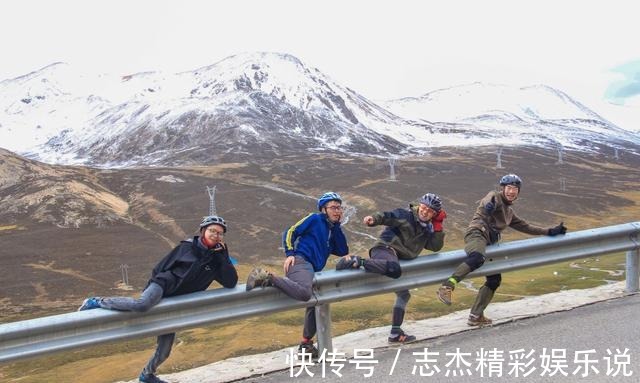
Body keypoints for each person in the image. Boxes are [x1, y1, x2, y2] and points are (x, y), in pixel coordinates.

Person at [78, 215, 238, 383]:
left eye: (220, 233)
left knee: (165, 351)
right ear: (203, 231)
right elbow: (161, 267)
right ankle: (96, 301)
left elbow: (230, 282)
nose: (216, 235)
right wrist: (153, 288)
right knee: (142, 304)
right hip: (163, 285)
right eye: (212, 231)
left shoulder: (216, 260)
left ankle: (147, 375)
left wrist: (223, 259)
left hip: (176, 303)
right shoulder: (187, 248)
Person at [436, 174, 567, 326]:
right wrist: (488, 207)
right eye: (509, 188)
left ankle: (475, 316)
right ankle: (447, 286)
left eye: (515, 189)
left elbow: (527, 227)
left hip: (490, 243)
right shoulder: (494, 197)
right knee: (477, 257)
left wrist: (550, 231)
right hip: (477, 233)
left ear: (518, 192)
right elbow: (488, 202)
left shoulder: (509, 213)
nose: (511, 192)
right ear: (503, 188)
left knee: (494, 280)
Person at [245, 192, 351, 357]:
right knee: (304, 293)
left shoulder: (332, 229)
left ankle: (306, 344)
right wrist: (290, 253)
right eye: (333, 207)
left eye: (340, 208)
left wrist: (336, 226)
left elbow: (343, 250)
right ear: (323, 209)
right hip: (300, 262)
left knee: (315, 303)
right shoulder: (314, 219)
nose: (338, 211)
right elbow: (290, 231)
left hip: (313, 269)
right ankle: (266, 276)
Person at [336, 193, 446, 343]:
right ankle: (356, 261)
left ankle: (395, 333)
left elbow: (435, 246)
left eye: (430, 211)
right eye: (424, 207)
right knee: (395, 269)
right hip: (384, 249)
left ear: (435, 214)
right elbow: (388, 216)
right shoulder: (406, 215)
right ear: (420, 204)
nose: (425, 212)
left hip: (393, 258)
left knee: (404, 294)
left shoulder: (428, 228)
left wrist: (438, 227)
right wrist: (373, 219)